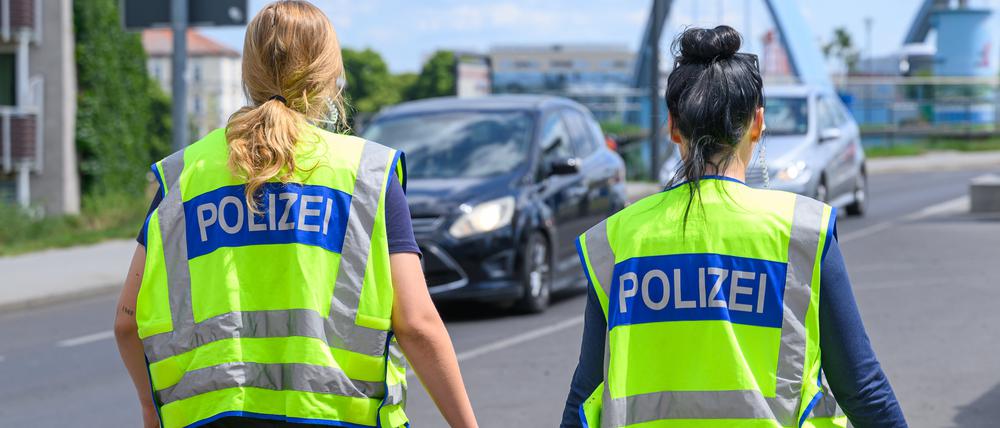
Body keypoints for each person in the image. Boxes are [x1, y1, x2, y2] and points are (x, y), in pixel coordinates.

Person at [113, 2, 478, 427]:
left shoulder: (183, 175)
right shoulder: (367, 173)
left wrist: (149, 408)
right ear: (330, 76)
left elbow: (128, 323)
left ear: (247, 74)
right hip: (340, 415)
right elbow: (416, 324)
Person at [561, 26, 906, 428]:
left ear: (673, 126)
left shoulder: (616, 241)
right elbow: (862, 389)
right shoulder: (803, 232)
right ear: (757, 124)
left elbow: (584, 398)